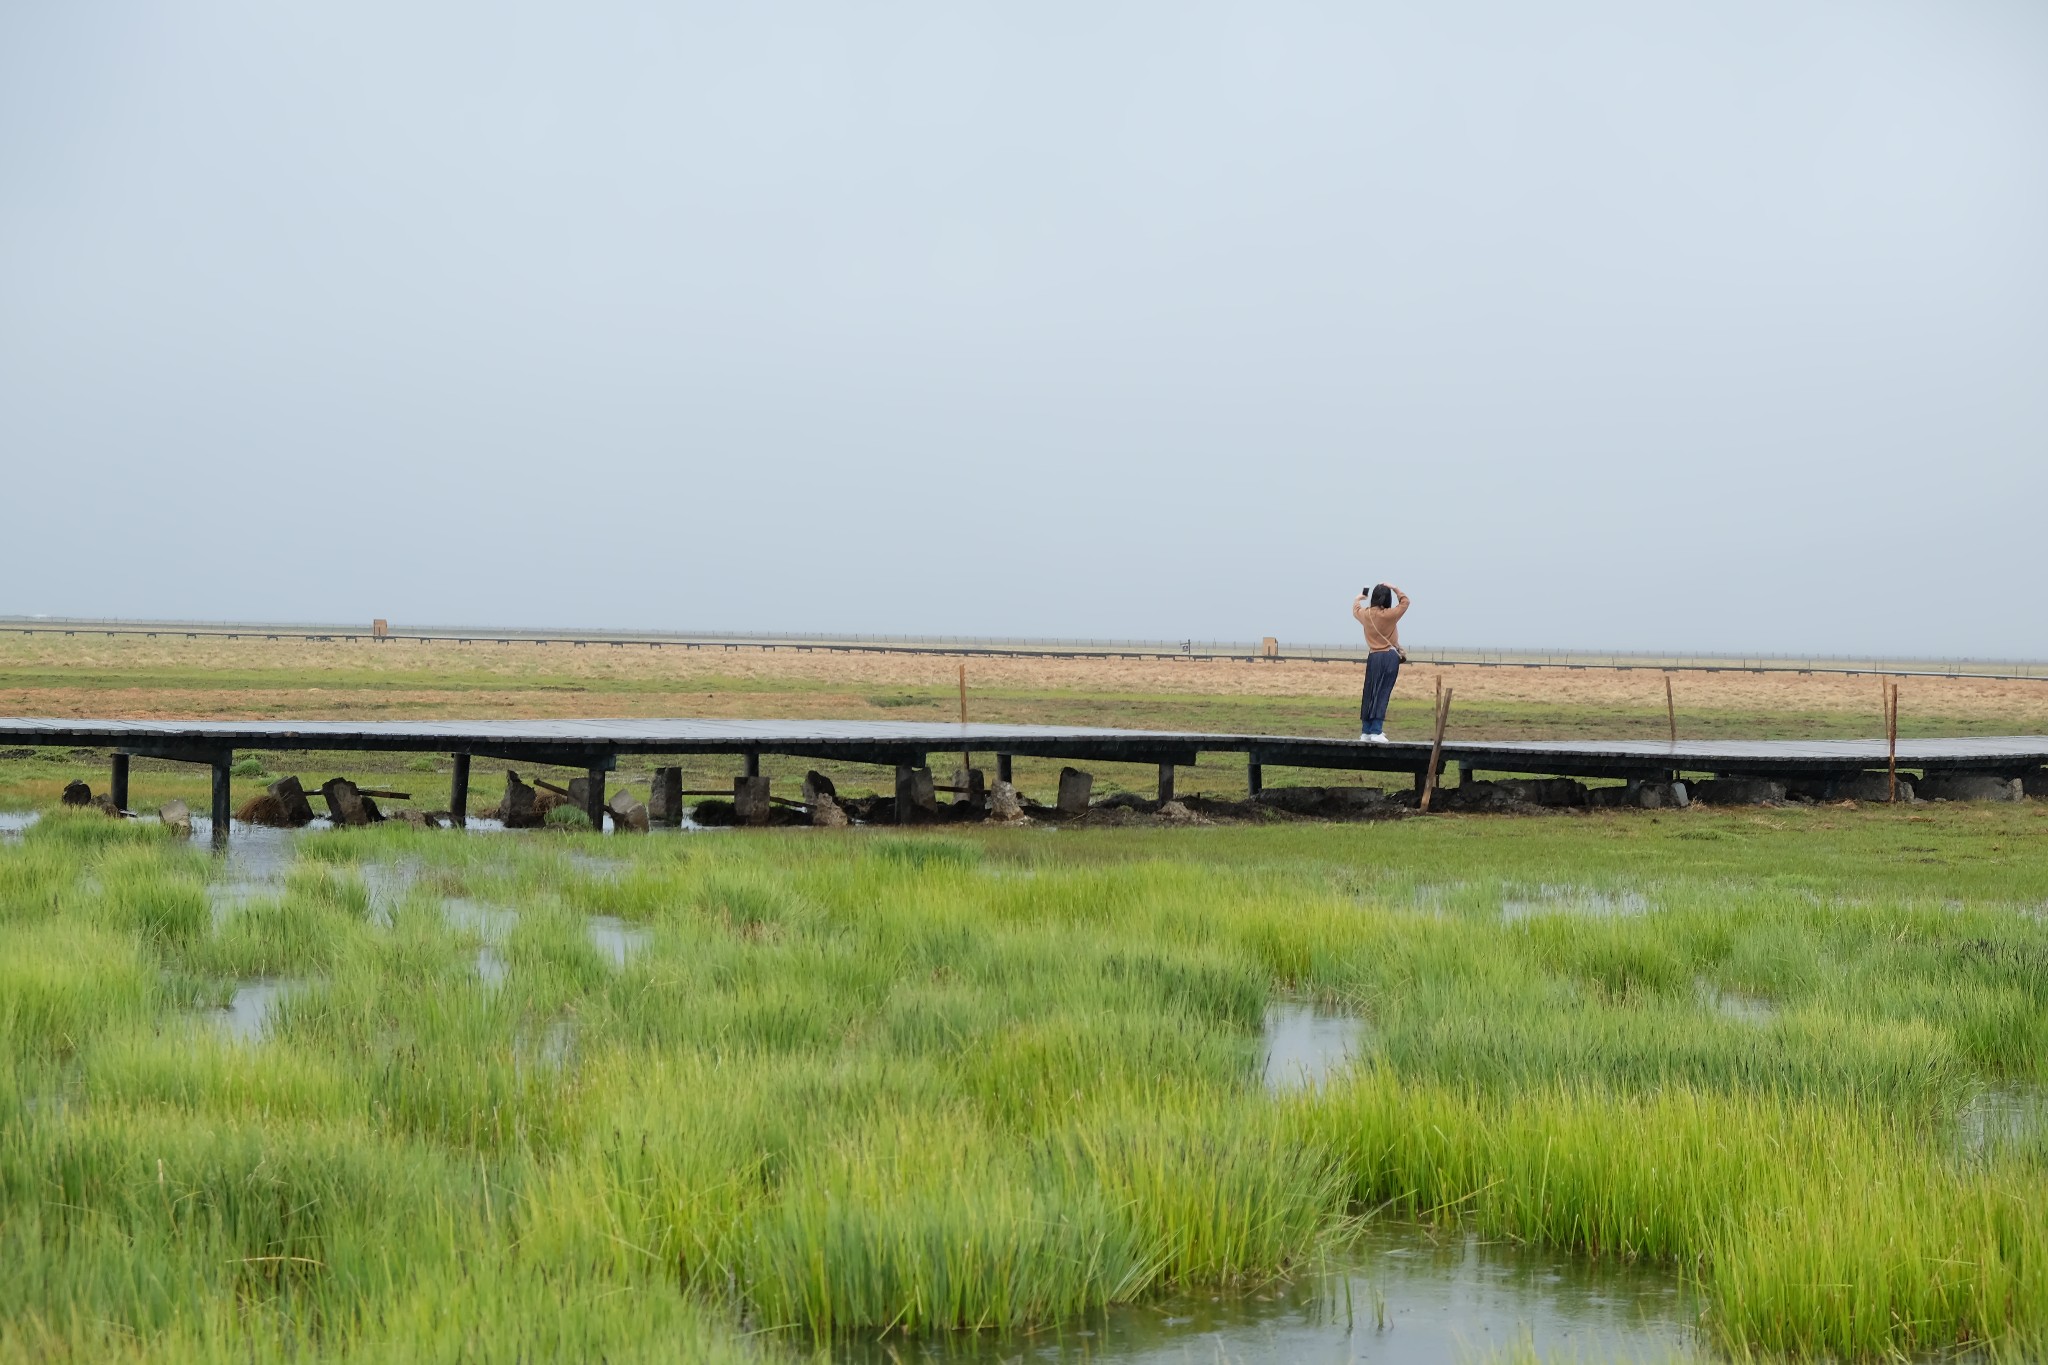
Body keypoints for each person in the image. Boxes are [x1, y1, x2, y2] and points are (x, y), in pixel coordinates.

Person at [1351, 583, 1410, 742]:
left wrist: (1359, 598)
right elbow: (1405, 602)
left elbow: (1356, 609)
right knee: (1383, 692)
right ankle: (1376, 731)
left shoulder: (1365, 614)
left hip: (1373, 656)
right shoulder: (1390, 615)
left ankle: (1366, 731)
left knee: (1369, 692)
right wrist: (1396, 588)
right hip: (1388, 657)